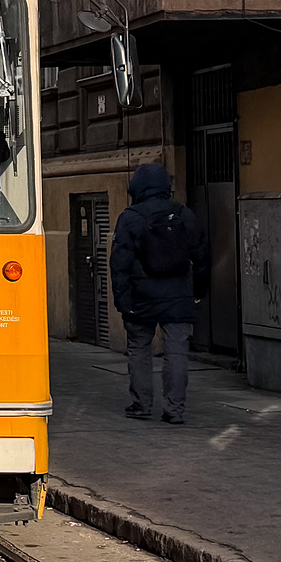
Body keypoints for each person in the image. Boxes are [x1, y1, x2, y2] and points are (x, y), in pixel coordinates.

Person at [108, 162, 209, 425]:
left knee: (139, 349)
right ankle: (174, 410)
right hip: (179, 297)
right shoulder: (184, 214)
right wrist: (198, 291)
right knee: (176, 352)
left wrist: (123, 300)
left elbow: (119, 264)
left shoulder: (130, 218)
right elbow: (201, 256)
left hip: (141, 296)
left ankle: (141, 405)